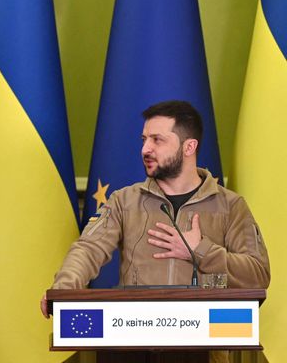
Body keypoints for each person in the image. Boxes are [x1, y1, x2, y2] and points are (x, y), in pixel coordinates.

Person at [41, 100, 270, 314]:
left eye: (157, 140)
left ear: (189, 147)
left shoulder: (230, 206)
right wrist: (63, 290)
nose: (145, 150)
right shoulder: (124, 200)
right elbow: (88, 250)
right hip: (133, 342)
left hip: (205, 348)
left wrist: (201, 250)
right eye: (144, 140)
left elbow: (258, 275)